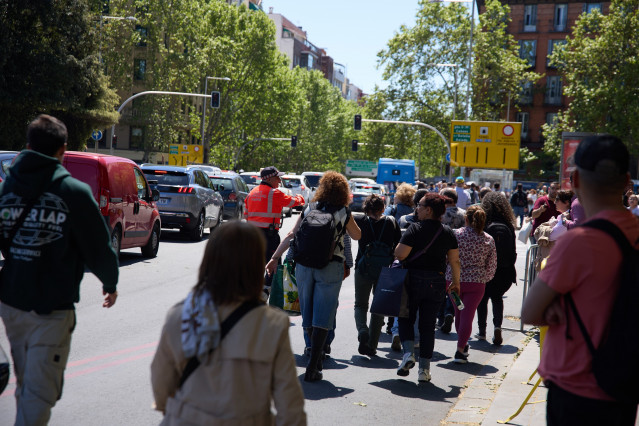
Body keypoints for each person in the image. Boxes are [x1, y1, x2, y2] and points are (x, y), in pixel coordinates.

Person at [0, 114, 119, 425]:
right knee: (39, 394)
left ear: (28, 146)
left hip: (12, 304)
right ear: (63, 149)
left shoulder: (8, 189)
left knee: (27, 384)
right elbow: (99, 246)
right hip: (50, 310)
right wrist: (110, 282)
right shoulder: (74, 193)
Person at [522, 135, 639, 425]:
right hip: (626, 384)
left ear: (574, 180)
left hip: (577, 387)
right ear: (627, 181)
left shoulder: (579, 243)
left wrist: (557, 305)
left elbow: (530, 312)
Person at [151, 222, 306, 425]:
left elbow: (161, 385)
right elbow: (290, 406)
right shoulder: (272, 325)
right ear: (255, 265)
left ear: (209, 262)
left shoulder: (180, 316)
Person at [266, 171, 361, 382]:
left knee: (307, 310)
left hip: (304, 266)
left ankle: (312, 353)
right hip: (330, 266)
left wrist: (274, 257)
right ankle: (314, 365)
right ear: (344, 192)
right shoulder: (344, 211)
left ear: (322, 188)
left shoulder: (310, 207)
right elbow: (357, 235)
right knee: (324, 313)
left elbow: (291, 235)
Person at [394, 193, 461, 382]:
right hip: (437, 282)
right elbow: (455, 261)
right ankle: (424, 370)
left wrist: (397, 251)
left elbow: (400, 254)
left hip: (412, 280)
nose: (417, 208)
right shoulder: (448, 232)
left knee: (405, 318)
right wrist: (456, 283)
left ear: (429, 210)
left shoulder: (414, 228)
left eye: (420, 205)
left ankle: (408, 354)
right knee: (428, 326)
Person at [445, 205, 497, 363]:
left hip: (454, 281)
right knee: (467, 315)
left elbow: (446, 258)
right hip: (476, 283)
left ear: (466, 219)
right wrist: (484, 278)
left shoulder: (455, 235)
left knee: (459, 312)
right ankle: (461, 348)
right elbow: (492, 264)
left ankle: (462, 344)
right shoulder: (488, 239)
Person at [353, 194, 401, 356]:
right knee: (378, 307)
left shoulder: (360, 221)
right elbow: (398, 248)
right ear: (382, 208)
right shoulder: (391, 222)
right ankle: (372, 346)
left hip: (363, 268)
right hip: (384, 270)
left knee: (361, 304)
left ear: (366, 208)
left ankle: (362, 331)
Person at [244, 166, 305, 293]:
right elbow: (292, 202)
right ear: (270, 178)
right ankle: (266, 292)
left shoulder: (252, 193)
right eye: (277, 177)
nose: (279, 180)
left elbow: (246, 214)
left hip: (251, 235)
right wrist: (300, 198)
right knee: (274, 264)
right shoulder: (273, 193)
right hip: (268, 235)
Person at [476, 191, 518, 345]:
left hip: (485, 269)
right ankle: (498, 327)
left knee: (482, 300)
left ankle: (481, 331)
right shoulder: (508, 225)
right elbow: (513, 251)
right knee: (497, 298)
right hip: (504, 270)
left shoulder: (484, 223)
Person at [437, 188, 466, 333]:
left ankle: (441, 317)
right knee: (453, 284)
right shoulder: (463, 214)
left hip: (441, 253)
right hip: (457, 254)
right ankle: (450, 311)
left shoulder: (440, 214)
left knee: (441, 285)